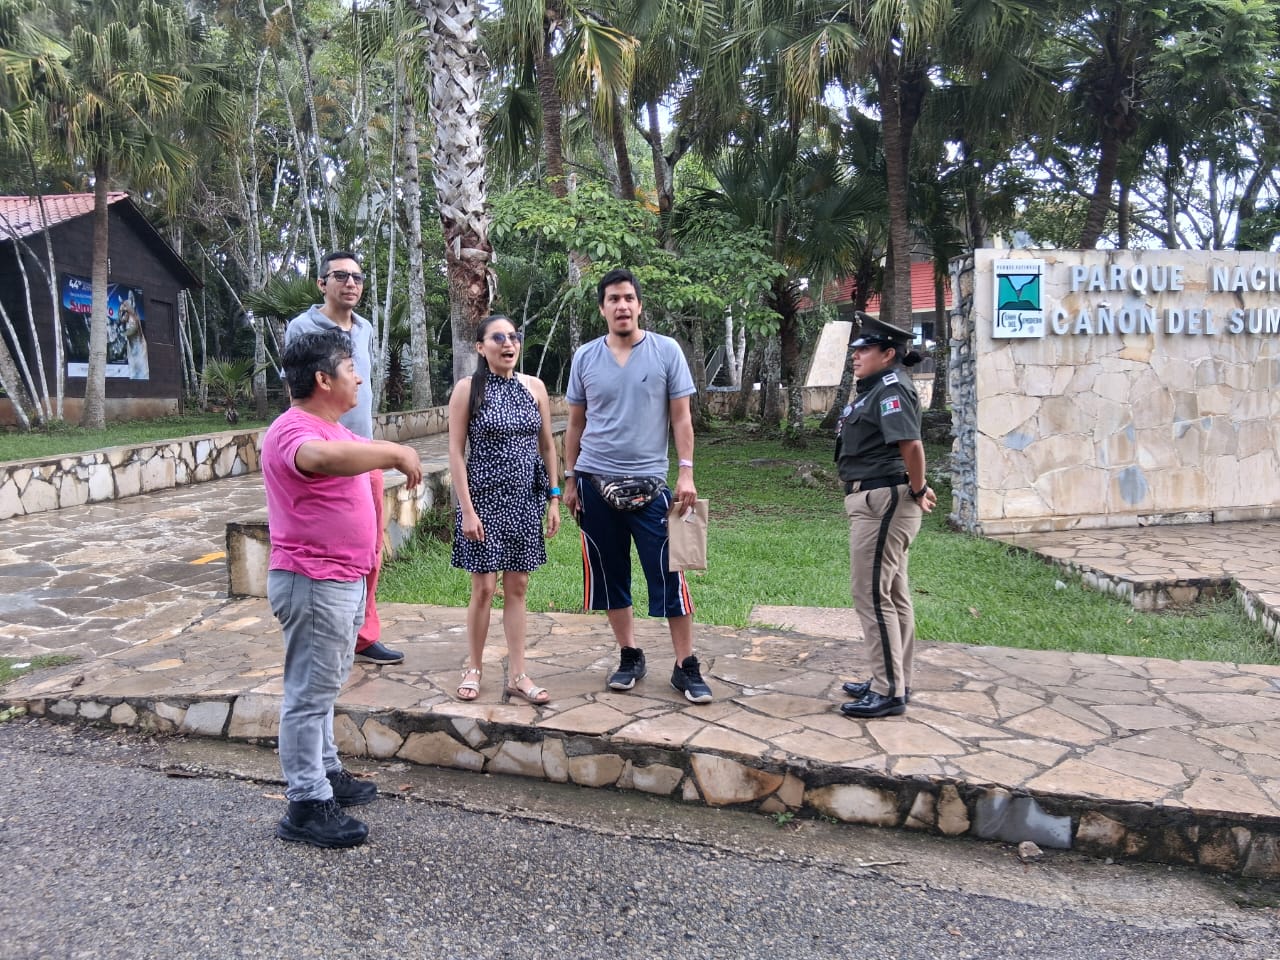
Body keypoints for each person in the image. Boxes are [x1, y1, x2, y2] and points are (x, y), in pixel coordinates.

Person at [263, 330, 423, 847]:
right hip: (313, 581)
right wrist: (394, 452)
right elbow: (319, 459)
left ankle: (326, 771)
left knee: (324, 687)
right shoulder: (293, 429)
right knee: (308, 695)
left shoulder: (332, 428)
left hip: (340, 579)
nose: (359, 378)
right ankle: (306, 804)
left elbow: (346, 454)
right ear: (323, 379)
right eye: (351, 369)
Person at [562, 268, 711, 703]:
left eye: (628, 298)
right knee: (611, 577)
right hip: (594, 484)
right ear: (602, 308)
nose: (622, 305)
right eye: (613, 299)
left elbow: (681, 418)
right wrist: (570, 480)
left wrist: (686, 471)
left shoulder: (666, 351)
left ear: (639, 305)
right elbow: (576, 424)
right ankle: (629, 655)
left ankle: (685, 665)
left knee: (670, 573)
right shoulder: (585, 357)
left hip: (652, 487)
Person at [285, 251, 403, 666]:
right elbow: (297, 391)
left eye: (357, 276)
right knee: (328, 553)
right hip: (325, 456)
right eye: (340, 276)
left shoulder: (365, 328)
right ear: (322, 283)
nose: (351, 283)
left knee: (370, 549)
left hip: (363, 454)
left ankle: (363, 635)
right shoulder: (302, 328)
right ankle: (330, 634)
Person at [448, 315, 561, 703]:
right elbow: (455, 452)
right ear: (481, 347)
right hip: (483, 501)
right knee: (484, 588)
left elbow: (547, 446)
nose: (508, 343)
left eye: (513, 337)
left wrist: (554, 497)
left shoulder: (535, 387)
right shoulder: (468, 388)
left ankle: (518, 674)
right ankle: (474, 667)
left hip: (525, 500)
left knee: (518, 586)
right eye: (498, 338)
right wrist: (467, 509)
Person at [835, 315, 938, 720]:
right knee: (893, 595)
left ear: (888, 353)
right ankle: (894, 678)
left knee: (871, 594)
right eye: (856, 350)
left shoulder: (891, 389)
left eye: (865, 349)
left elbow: (910, 445)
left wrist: (918, 487)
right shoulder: (877, 389)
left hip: (883, 501)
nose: (856, 356)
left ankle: (888, 690)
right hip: (878, 498)